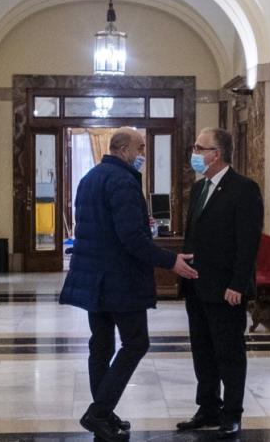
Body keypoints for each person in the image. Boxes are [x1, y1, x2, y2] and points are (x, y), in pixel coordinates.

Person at [59, 126, 198, 442]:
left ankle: (103, 413)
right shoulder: (122, 181)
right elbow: (132, 238)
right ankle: (99, 413)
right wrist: (170, 261)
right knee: (136, 343)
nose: (144, 154)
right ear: (123, 150)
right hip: (118, 278)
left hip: (95, 276)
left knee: (102, 344)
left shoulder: (91, 178)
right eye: (141, 147)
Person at [176, 127, 263, 439]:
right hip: (197, 285)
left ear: (218, 154)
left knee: (229, 352)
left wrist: (238, 284)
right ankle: (208, 407)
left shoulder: (244, 189)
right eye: (195, 147)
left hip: (226, 288)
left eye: (201, 148)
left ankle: (232, 412)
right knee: (202, 350)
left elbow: (248, 243)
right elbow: (194, 234)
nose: (195, 153)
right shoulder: (200, 189)